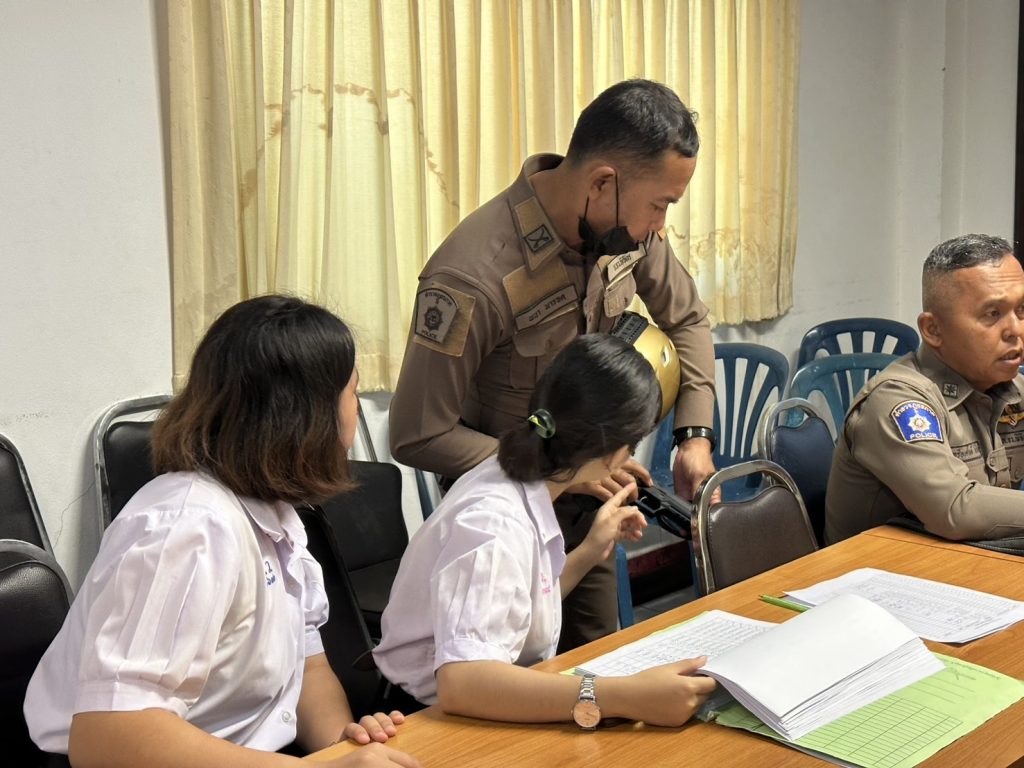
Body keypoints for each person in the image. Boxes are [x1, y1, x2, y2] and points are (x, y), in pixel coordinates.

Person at [389, 79, 717, 650]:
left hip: (589, 505)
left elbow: (687, 319)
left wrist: (694, 436)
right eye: (660, 205)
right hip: (499, 519)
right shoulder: (475, 275)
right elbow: (418, 433)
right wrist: (560, 468)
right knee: (505, 670)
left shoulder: (623, 231)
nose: (661, 226)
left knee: (596, 656)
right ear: (602, 183)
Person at [24, 296, 420, 768]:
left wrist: (343, 743)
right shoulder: (188, 528)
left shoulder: (276, 516)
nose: (355, 410)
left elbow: (308, 670)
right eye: (352, 393)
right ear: (310, 416)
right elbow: (110, 736)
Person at [374, 334, 718, 726]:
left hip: (467, 706)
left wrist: (589, 551)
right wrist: (625, 696)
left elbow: (520, 607)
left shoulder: (515, 476)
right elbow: (463, 683)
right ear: (616, 453)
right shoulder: (495, 524)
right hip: (428, 721)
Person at [825, 234, 1024, 544]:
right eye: (992, 314)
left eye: (1021, 310)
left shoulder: (1011, 388)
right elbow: (955, 509)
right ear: (933, 329)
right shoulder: (896, 401)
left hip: (970, 560)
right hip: (882, 569)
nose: (1015, 329)